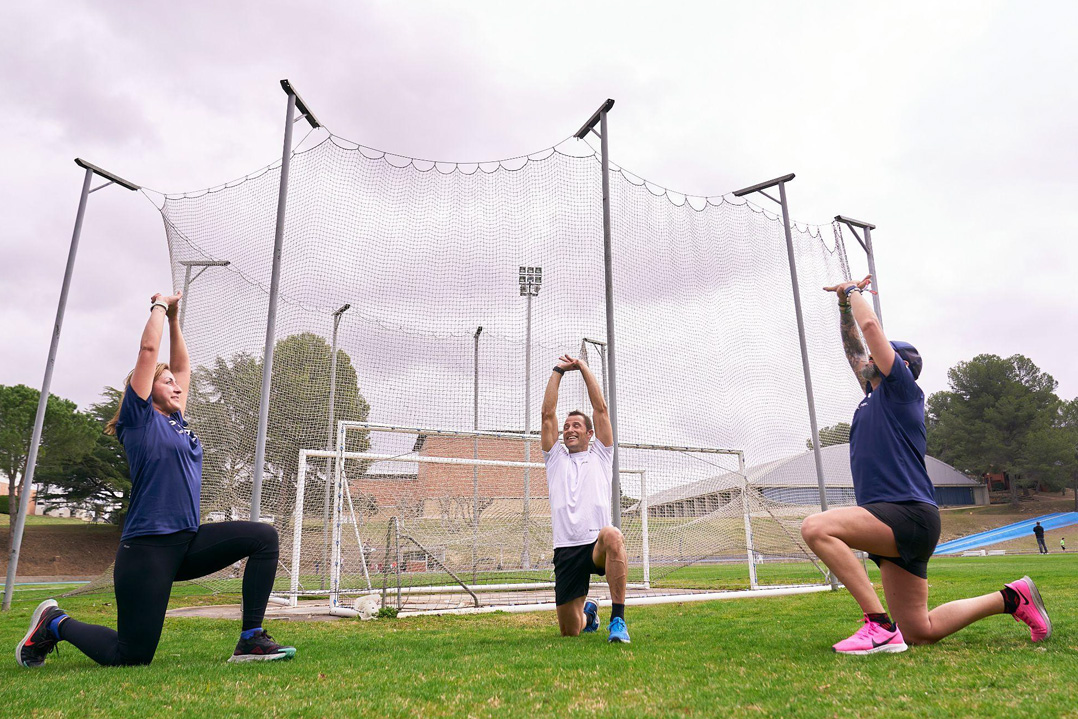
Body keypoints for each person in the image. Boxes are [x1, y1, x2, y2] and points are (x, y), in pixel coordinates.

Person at [17, 291, 294, 667]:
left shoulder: (177, 420)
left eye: (175, 383)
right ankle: (55, 623)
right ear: (147, 392)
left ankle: (250, 639)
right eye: (166, 383)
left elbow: (183, 367)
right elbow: (149, 351)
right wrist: (161, 307)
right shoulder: (140, 419)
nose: (177, 386)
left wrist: (177, 321)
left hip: (187, 542)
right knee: (131, 656)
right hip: (148, 550)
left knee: (263, 538)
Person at [799, 275, 1051, 654]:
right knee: (920, 630)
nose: (866, 360)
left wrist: (854, 292)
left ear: (896, 364)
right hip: (893, 521)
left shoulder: (902, 391)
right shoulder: (873, 395)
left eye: (876, 356)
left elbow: (869, 328)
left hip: (905, 515)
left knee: (816, 527)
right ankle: (1012, 598)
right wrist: (841, 306)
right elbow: (854, 347)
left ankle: (878, 626)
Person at [540, 354, 630, 643]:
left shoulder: (601, 454)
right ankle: (589, 613)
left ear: (590, 433)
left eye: (576, 426)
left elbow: (601, 409)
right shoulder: (555, 459)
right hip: (566, 549)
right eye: (566, 427)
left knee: (613, 535)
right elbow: (547, 416)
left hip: (595, 546)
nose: (569, 429)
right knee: (570, 631)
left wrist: (582, 368)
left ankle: (618, 620)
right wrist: (558, 371)